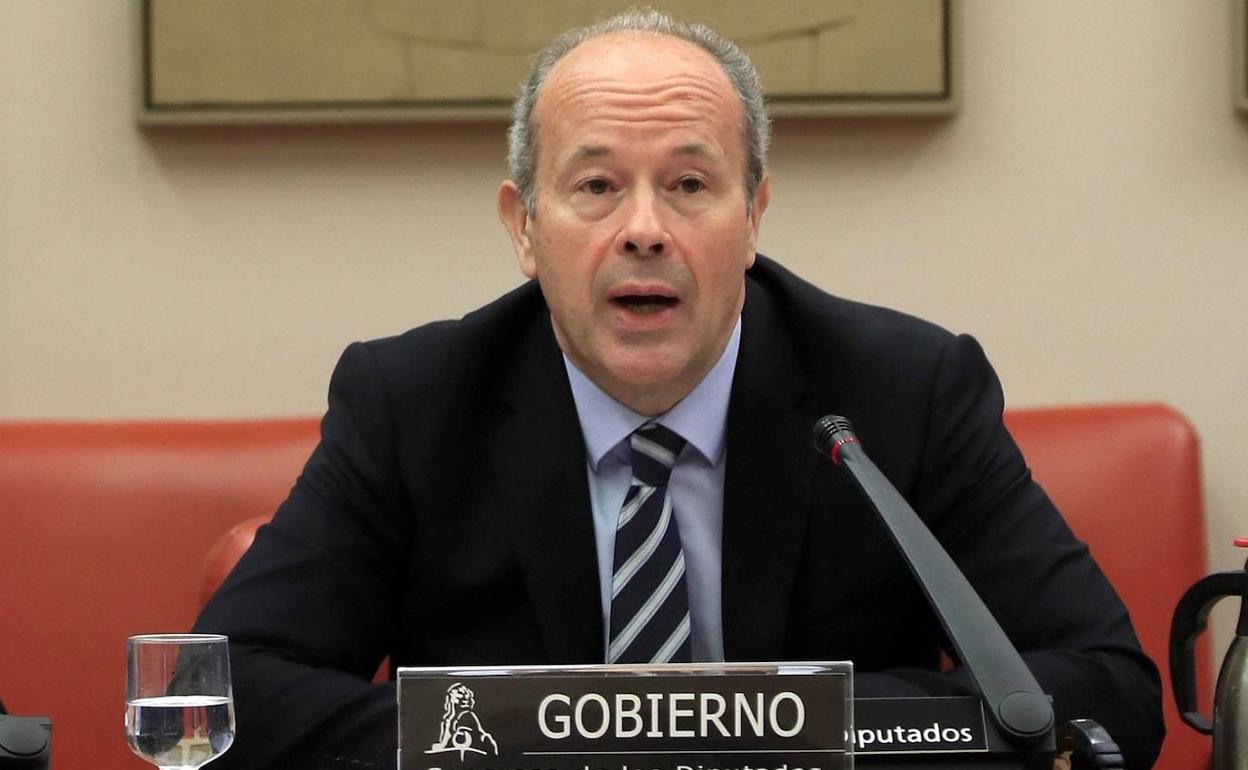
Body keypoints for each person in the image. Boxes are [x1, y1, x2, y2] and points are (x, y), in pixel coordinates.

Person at [194, 10, 1164, 770]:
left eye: (691, 185)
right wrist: (530, 736)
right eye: (596, 186)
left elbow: (1104, 686)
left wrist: (773, 726)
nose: (645, 229)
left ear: (754, 217)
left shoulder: (902, 394)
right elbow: (222, 696)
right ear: (524, 227)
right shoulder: (415, 402)